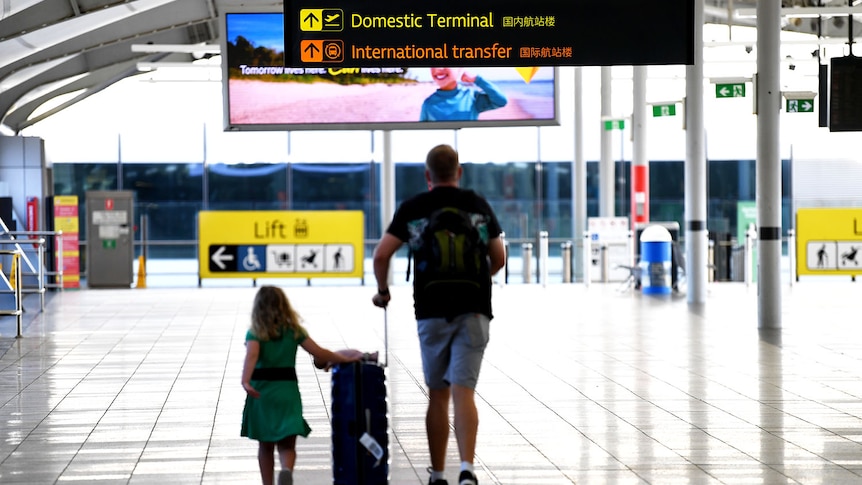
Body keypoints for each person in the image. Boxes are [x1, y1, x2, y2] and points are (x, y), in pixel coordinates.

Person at [371, 144, 506, 485]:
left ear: (428, 176)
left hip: (430, 310)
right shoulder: (477, 204)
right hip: (475, 308)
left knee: (439, 393)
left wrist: (383, 291)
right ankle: (467, 470)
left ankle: (439, 475)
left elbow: (381, 255)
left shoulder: (414, 207)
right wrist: (477, 281)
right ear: (459, 172)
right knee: (465, 392)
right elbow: (499, 257)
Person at [241, 285, 362, 485]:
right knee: (287, 444)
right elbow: (320, 353)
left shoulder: (255, 333)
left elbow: (252, 355)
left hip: (262, 393)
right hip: (287, 391)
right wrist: (344, 359)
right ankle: (286, 469)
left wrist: (245, 380)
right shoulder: (293, 331)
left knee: (265, 446)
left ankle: (267, 483)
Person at [419, 68, 508, 122]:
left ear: (460, 68)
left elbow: (501, 101)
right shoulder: (428, 104)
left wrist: (478, 79)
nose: (438, 68)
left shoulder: (470, 96)